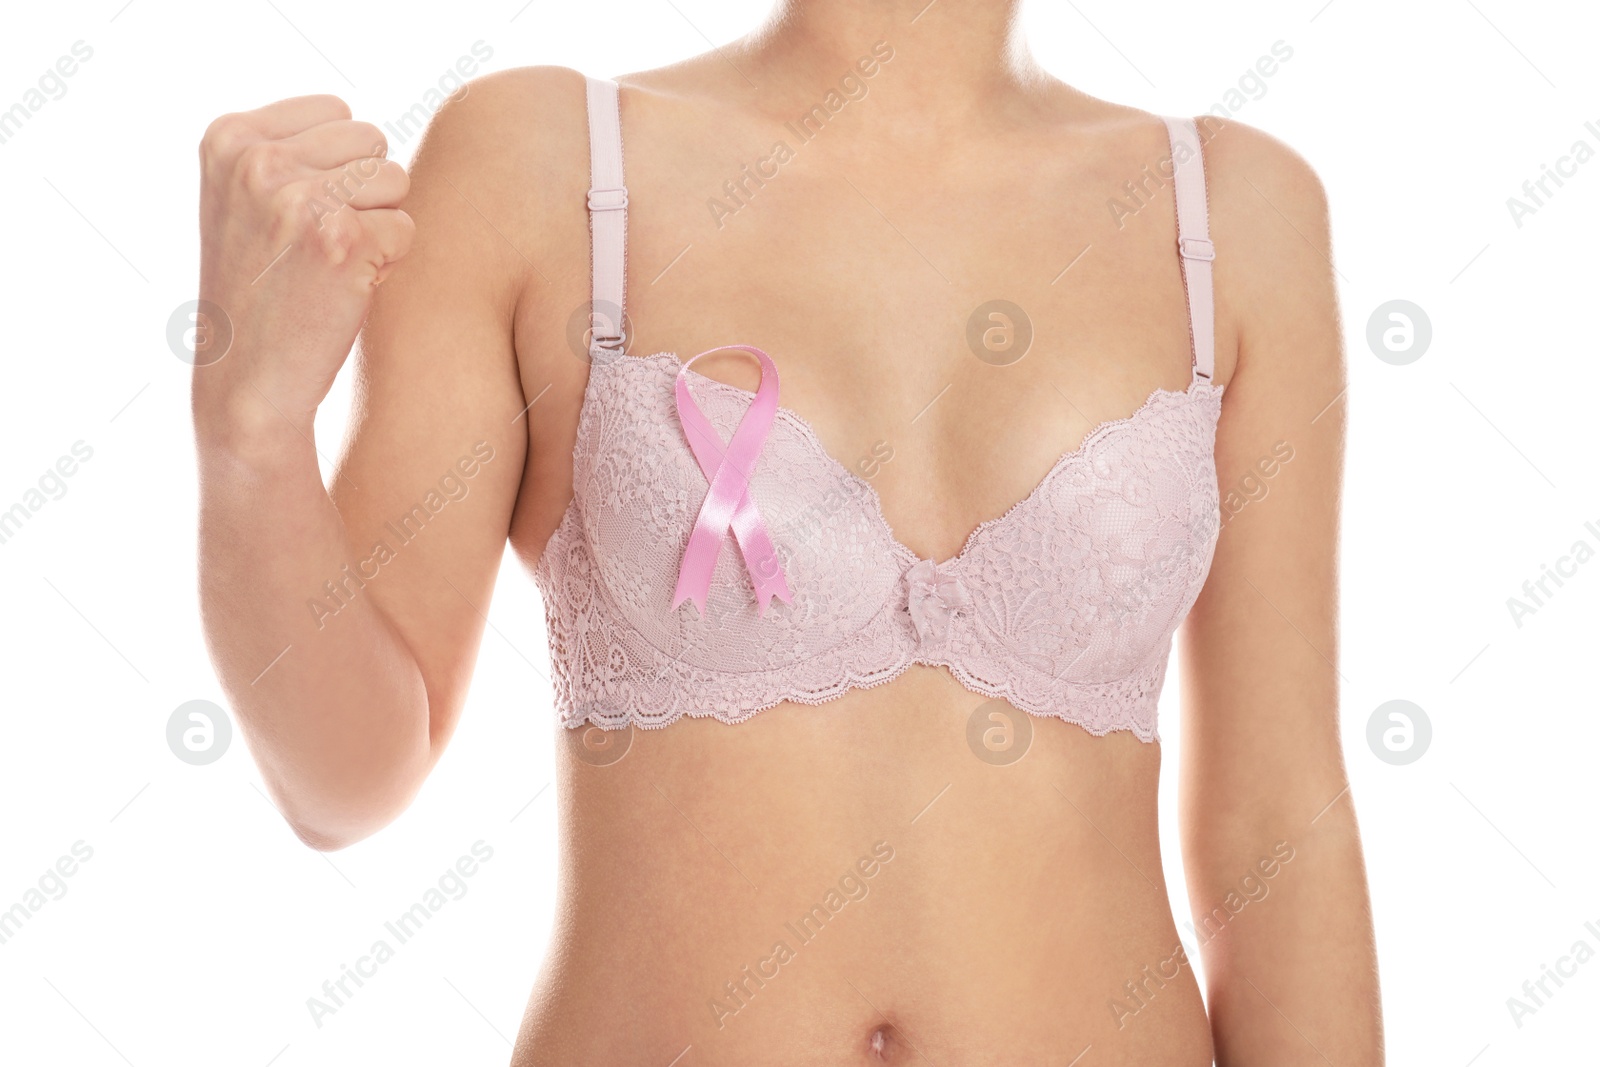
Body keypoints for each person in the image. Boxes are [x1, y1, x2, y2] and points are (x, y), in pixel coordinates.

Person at [192, 2, 1380, 1062]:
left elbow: (1277, 825)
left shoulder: (1230, 212)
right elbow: (343, 780)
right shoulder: (541, 160)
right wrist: (250, 437)